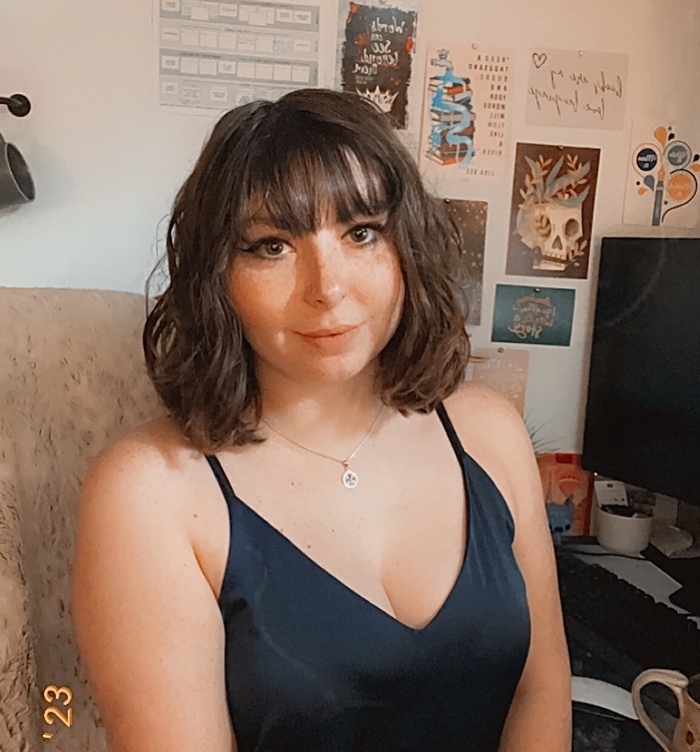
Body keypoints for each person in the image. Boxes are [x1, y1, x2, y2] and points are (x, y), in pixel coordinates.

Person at [71, 88, 571, 752]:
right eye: (272, 246)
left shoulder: (489, 432)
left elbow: (540, 690)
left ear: (407, 247)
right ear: (218, 277)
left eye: (361, 233)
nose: (328, 288)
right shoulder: (151, 491)